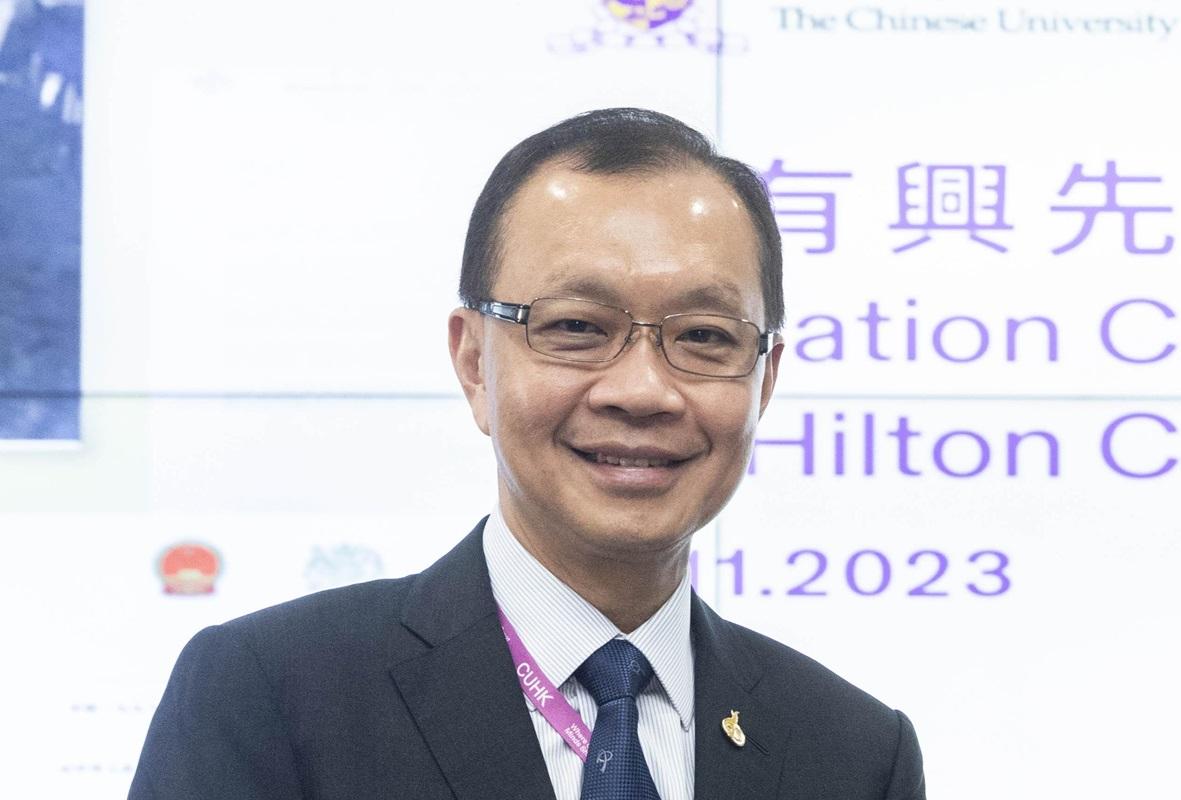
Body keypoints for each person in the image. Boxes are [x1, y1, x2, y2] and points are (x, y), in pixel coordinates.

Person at [129, 108, 926, 800]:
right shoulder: (271, 693)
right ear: (474, 362)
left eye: (704, 337)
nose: (642, 390)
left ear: (765, 379)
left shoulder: (854, 752)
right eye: (576, 326)